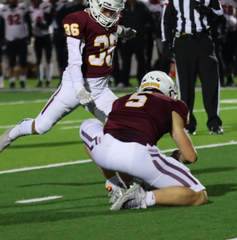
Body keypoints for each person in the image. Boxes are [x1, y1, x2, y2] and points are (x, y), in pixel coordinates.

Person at [0, 0, 136, 157]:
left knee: (125, 129)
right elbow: (74, 62)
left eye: (114, 12)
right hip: (74, 85)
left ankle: (116, 178)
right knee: (41, 126)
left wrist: (123, 31)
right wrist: (79, 89)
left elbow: (110, 27)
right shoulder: (79, 21)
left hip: (100, 88)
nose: (111, 16)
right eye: (107, 10)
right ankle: (10, 135)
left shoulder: (108, 19)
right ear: (94, 2)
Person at [80, 71, 207, 210]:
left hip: (104, 153)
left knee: (87, 125)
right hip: (138, 155)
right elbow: (190, 156)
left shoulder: (121, 100)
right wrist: (178, 157)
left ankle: (117, 184)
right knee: (198, 194)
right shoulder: (171, 103)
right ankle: (142, 198)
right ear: (168, 90)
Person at [161, 0, 223, 135]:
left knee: (211, 84)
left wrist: (208, 11)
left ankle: (214, 123)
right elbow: (166, 20)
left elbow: (220, 14)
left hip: (203, 41)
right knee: (185, 87)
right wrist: (166, 42)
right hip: (183, 42)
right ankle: (188, 124)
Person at [118, 0, 155, 87]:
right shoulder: (122, 7)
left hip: (140, 39)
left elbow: (150, 21)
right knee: (125, 61)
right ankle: (124, 81)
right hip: (126, 39)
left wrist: (151, 32)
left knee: (142, 61)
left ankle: (142, 81)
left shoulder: (143, 6)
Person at [0, 0, 29, 89]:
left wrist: (29, 35)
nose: (12, 0)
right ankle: (12, 81)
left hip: (21, 37)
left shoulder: (23, 8)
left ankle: (22, 80)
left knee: (23, 61)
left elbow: (28, 22)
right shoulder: (3, 10)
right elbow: (1, 25)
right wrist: (1, 38)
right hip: (9, 38)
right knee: (11, 61)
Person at [25, 0, 53, 87]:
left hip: (47, 34)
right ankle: (40, 80)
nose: (37, 2)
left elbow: (49, 20)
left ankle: (48, 79)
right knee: (39, 58)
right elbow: (28, 24)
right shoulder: (30, 10)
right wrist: (30, 35)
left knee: (48, 58)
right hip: (37, 35)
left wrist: (43, 25)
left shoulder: (46, 7)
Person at [45, 0, 74, 78]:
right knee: (60, 56)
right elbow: (47, 22)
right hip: (57, 31)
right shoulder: (46, 5)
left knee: (71, 55)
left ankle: (74, 76)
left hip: (69, 31)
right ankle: (63, 77)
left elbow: (73, 13)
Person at [144, 0, 168, 73]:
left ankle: (160, 71)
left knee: (163, 55)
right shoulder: (146, 5)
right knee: (147, 55)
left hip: (161, 33)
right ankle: (148, 72)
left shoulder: (164, 5)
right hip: (147, 34)